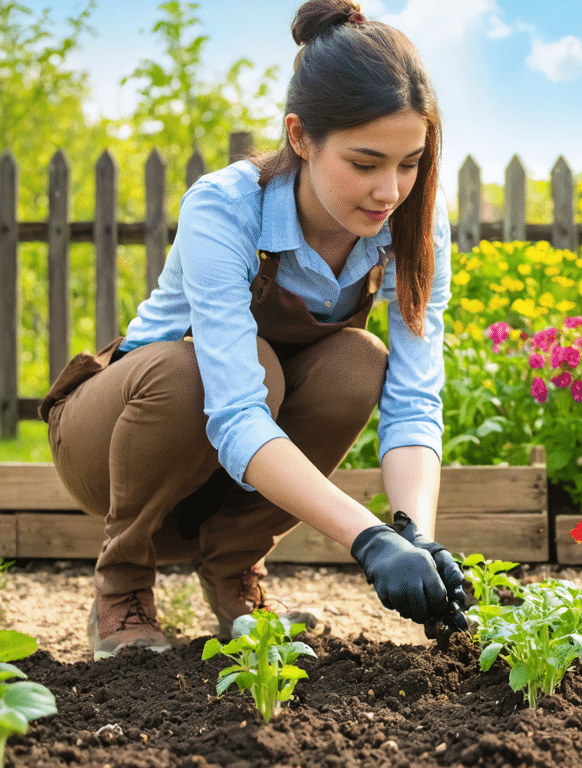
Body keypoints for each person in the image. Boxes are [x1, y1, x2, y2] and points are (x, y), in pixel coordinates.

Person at [40, 0, 468, 660]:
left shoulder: (414, 219)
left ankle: (234, 573)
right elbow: (238, 408)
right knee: (237, 368)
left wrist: (413, 534)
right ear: (300, 137)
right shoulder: (226, 206)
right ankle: (121, 586)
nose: (390, 191)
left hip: (229, 470)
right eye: (364, 163)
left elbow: (414, 399)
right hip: (115, 444)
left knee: (360, 361)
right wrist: (367, 537)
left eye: (408, 162)